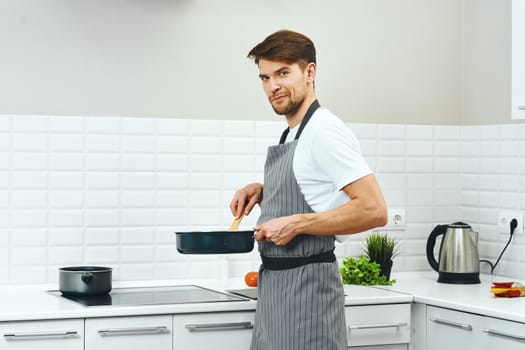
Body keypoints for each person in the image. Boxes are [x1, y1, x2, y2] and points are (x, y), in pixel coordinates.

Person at [229, 29, 387, 350]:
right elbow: (314, 186)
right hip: (277, 291)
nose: (273, 86)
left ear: (310, 72)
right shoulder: (295, 132)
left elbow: (374, 209)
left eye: (283, 73)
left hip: (308, 295)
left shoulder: (325, 131)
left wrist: (297, 224)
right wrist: (265, 189)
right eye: (265, 77)